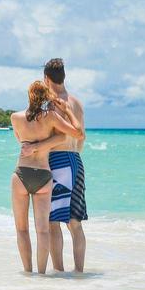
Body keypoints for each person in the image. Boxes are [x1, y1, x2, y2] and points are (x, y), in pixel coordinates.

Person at [10, 81, 84, 274]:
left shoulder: (15, 117)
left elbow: (20, 140)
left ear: (29, 96)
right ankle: (42, 274)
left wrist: (33, 145)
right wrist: (67, 111)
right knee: (43, 230)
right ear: (45, 97)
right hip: (44, 175)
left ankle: (28, 272)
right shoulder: (51, 117)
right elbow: (75, 133)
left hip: (21, 174)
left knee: (22, 229)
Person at [43, 58, 88, 273]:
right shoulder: (77, 103)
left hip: (57, 162)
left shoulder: (51, 104)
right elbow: (81, 137)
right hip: (76, 162)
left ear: (46, 79)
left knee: (53, 222)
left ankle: (59, 273)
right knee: (75, 222)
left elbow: (57, 137)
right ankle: (79, 272)